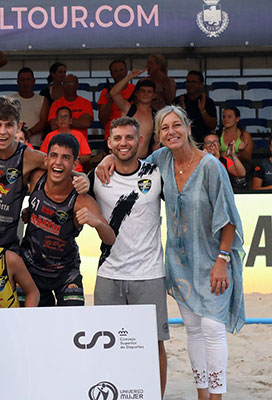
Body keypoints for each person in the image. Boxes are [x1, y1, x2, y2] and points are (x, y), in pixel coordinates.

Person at [97, 105, 245, 399]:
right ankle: (202, 393)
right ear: (159, 136)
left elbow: (229, 218)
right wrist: (107, 157)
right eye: (164, 128)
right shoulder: (160, 161)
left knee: (213, 329)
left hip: (215, 260)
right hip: (179, 263)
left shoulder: (211, 167)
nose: (171, 132)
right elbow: (128, 158)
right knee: (192, 330)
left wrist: (222, 260)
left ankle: (215, 396)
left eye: (176, 125)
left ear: (189, 128)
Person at [90, 117, 169, 396]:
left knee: (154, 343)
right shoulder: (97, 177)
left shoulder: (156, 173)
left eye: (129, 138)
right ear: (109, 142)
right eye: (118, 138)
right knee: (108, 344)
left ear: (139, 141)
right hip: (109, 274)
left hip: (149, 274)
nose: (124, 143)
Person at [0, 96, 89, 251]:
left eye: (9, 125)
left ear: (18, 127)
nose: (2, 132)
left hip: (4, 247)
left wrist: (84, 178)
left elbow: (62, 167)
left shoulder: (28, 156)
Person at [21, 133, 115, 307]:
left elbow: (110, 238)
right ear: (46, 159)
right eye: (54, 156)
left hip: (65, 273)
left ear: (75, 163)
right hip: (30, 268)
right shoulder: (36, 179)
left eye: (66, 158)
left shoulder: (82, 200)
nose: (58, 162)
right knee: (30, 326)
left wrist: (97, 223)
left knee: (73, 320)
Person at [110, 69, 158, 158]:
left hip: (143, 162)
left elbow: (156, 143)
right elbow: (114, 93)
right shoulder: (128, 108)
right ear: (137, 94)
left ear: (154, 95)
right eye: (143, 91)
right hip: (122, 160)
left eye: (149, 91)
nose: (145, 94)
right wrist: (130, 76)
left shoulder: (155, 116)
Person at [40, 106, 91, 172]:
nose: (63, 119)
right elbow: (42, 156)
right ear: (56, 121)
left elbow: (87, 156)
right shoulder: (50, 136)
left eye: (65, 116)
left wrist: (70, 159)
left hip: (75, 172)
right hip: (54, 171)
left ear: (70, 120)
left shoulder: (79, 135)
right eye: (60, 116)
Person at [173, 70, 217, 143]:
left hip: (202, 143)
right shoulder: (178, 101)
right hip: (183, 143)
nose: (190, 84)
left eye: (193, 82)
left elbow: (213, 126)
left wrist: (203, 111)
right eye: (188, 82)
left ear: (201, 84)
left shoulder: (208, 102)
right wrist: (181, 111)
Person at [9, 67, 48, 147]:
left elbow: (43, 122)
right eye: (22, 80)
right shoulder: (10, 100)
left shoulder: (42, 100)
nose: (25, 83)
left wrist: (30, 132)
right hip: (14, 144)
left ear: (34, 81)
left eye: (28, 79)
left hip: (36, 145)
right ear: (18, 82)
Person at [97, 60, 134, 140]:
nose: (119, 73)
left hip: (132, 133)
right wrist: (110, 101)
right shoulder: (106, 92)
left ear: (126, 71)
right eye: (116, 71)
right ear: (111, 74)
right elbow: (102, 119)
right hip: (112, 135)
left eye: (121, 70)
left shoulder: (135, 90)